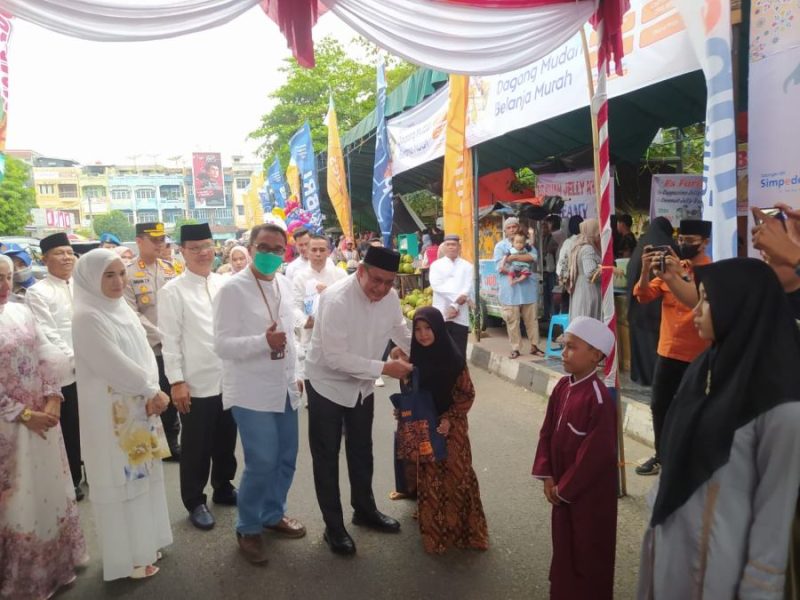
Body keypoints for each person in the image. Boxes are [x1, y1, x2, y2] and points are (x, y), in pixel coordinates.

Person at [637, 258, 800, 599]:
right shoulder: (705, 369)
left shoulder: (782, 407)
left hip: (722, 574)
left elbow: (774, 517)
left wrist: (758, 590)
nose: (696, 309)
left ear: (740, 305)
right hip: (672, 555)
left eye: (708, 299)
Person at [305, 246, 413, 556]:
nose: (381, 289)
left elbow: (400, 331)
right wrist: (384, 368)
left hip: (362, 384)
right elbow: (335, 358)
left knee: (361, 450)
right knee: (326, 457)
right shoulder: (336, 299)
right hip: (326, 384)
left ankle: (364, 510)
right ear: (361, 271)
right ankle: (333, 527)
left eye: (388, 282)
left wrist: (422, 357)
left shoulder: (389, 298)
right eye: (375, 280)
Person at [72, 249, 173, 581]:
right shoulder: (88, 316)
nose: (118, 282)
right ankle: (127, 559)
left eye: (120, 273)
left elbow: (145, 352)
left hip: (140, 408)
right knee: (122, 484)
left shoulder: (122, 309)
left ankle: (147, 544)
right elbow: (111, 364)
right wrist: (150, 390)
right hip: (113, 417)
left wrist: (152, 389)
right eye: (108, 275)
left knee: (143, 479)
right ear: (90, 278)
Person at [212, 223, 306, 565]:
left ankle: (272, 513)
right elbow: (221, 345)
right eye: (263, 247)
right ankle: (248, 526)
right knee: (262, 460)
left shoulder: (284, 283)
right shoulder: (231, 289)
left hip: (283, 386)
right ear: (250, 249)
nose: (270, 254)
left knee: (286, 457)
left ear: (286, 252)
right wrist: (261, 343)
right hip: (250, 391)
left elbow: (291, 338)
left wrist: (297, 375)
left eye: (278, 249)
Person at [0, 254, 88, 599]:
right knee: (18, 499)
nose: (3, 285)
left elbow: (44, 353)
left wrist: (52, 396)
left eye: (6, 277)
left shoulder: (21, 311)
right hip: (9, 429)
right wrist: (22, 413)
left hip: (44, 419)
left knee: (47, 492)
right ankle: (25, 576)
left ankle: (57, 563)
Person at [159, 223, 238, 532]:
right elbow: (170, 341)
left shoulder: (226, 283)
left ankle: (223, 487)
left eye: (207, 246)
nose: (204, 253)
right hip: (196, 382)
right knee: (196, 446)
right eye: (195, 249)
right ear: (183, 252)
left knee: (226, 439)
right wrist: (176, 381)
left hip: (229, 378)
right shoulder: (173, 291)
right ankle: (195, 500)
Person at [532, 316, 617, 600]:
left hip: (588, 500)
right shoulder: (562, 387)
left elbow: (595, 457)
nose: (564, 353)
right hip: (560, 492)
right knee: (565, 551)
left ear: (596, 355)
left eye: (572, 347)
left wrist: (564, 489)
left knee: (588, 555)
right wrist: (547, 475)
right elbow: (546, 432)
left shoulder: (600, 399)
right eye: (564, 346)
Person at [632, 219, 712, 476]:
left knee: (694, 407)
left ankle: (691, 457)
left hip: (699, 354)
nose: (684, 245)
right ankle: (662, 455)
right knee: (659, 405)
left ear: (705, 243)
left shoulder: (713, 272)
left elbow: (698, 302)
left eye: (690, 242)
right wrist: (645, 271)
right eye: (681, 240)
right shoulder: (668, 270)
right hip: (668, 350)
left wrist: (681, 275)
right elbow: (643, 296)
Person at [409, 307, 488, 554]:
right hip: (424, 427)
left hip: (451, 427)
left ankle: (467, 533)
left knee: (458, 476)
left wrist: (450, 419)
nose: (422, 335)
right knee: (430, 478)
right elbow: (411, 393)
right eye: (418, 330)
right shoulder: (414, 358)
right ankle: (436, 534)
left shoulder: (453, 359)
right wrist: (406, 412)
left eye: (428, 328)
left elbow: (467, 394)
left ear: (438, 329)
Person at [25, 232, 84, 500]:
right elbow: (47, 332)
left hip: (92, 368)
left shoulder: (83, 285)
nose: (66, 257)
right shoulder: (38, 292)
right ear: (45, 258)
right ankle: (71, 479)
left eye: (69, 252)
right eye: (59, 253)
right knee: (70, 427)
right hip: (65, 372)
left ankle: (95, 470)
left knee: (94, 423)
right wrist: (75, 360)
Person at [124, 222, 181, 459]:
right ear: (139, 241)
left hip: (175, 344)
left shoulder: (172, 269)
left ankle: (173, 440)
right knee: (157, 392)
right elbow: (132, 313)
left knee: (177, 389)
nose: (160, 244)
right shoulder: (127, 273)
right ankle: (158, 441)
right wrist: (162, 334)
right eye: (154, 240)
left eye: (162, 240)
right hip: (151, 347)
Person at [625, 217, 675, 387]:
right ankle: (659, 378)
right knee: (658, 345)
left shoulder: (641, 246)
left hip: (639, 306)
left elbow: (630, 274)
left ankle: (641, 377)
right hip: (661, 307)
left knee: (642, 343)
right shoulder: (670, 248)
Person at [292, 235, 347, 386]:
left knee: (337, 382)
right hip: (311, 337)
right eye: (314, 250)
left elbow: (349, 303)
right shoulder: (299, 278)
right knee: (314, 382)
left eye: (322, 250)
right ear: (307, 252)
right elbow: (295, 307)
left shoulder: (340, 275)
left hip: (337, 335)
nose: (318, 254)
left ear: (328, 252)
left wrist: (328, 292)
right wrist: (304, 321)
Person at [493, 217, 542, 359]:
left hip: (528, 288)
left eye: (514, 226)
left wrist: (513, 258)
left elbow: (533, 257)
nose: (512, 229)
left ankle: (534, 346)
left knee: (531, 319)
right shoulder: (500, 246)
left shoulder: (527, 244)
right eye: (509, 228)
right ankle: (515, 348)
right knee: (512, 320)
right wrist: (519, 259)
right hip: (510, 289)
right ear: (505, 230)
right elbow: (499, 266)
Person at [428, 233, 473, 358]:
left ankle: (461, 377)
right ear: (443, 247)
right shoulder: (436, 266)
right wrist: (457, 302)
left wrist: (455, 306)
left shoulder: (468, 266)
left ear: (459, 247)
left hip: (461, 316)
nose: (451, 247)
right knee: (442, 351)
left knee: (459, 351)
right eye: (448, 245)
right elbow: (437, 286)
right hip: (442, 313)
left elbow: (468, 288)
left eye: (454, 245)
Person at [566, 218, 602, 323]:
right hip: (588, 289)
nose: (599, 236)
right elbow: (590, 272)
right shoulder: (588, 248)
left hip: (580, 287)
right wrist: (608, 270)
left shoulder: (578, 245)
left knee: (582, 320)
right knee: (587, 319)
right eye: (597, 233)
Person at [555, 215, 584, 314]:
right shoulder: (587, 241)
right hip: (583, 283)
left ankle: (569, 328)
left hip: (569, 282)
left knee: (568, 309)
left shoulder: (568, 242)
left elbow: (562, 263)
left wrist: (562, 280)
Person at [541, 216, 560, 320]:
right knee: (545, 294)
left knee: (551, 294)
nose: (544, 229)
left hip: (550, 271)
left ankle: (553, 316)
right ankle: (546, 315)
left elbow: (550, 250)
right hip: (544, 271)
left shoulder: (552, 238)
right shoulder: (540, 239)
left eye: (545, 226)